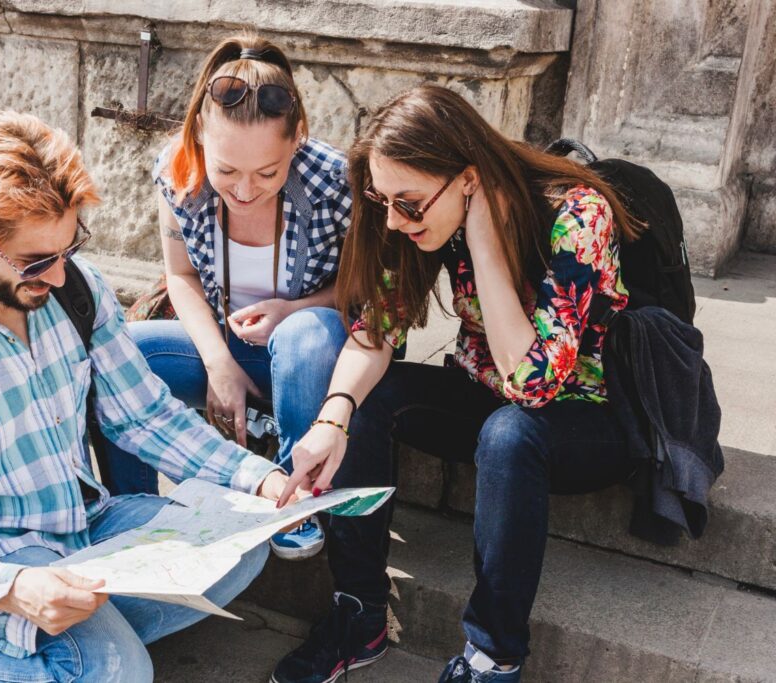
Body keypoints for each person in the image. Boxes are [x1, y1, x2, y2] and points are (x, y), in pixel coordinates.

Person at [0, 111, 292, 682]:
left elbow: (145, 416)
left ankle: (58, 656)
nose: (56, 277)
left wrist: (258, 478)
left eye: (68, 247)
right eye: (34, 262)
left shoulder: (77, 286)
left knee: (239, 545)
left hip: (86, 524)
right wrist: (15, 588)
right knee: (120, 670)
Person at [270, 84, 642, 683]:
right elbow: (376, 332)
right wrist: (330, 420)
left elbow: (534, 384)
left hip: (587, 420)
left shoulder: (577, 214)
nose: (393, 220)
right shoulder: (414, 218)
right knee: (368, 402)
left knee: (510, 433)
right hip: (489, 398)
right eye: (383, 200)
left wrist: (485, 242)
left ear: (469, 180)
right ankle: (359, 611)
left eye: (409, 204)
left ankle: (493, 658)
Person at [105, 34, 353, 561]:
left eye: (267, 172)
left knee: (304, 336)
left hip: (316, 359)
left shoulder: (334, 180)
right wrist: (218, 364)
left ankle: (291, 499)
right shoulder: (178, 171)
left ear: (297, 139)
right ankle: (134, 515)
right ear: (199, 137)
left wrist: (294, 309)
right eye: (226, 171)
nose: (243, 190)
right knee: (121, 353)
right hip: (229, 349)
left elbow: (368, 290)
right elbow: (181, 277)